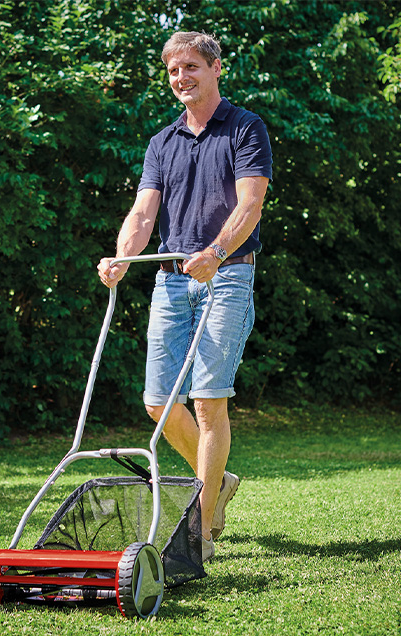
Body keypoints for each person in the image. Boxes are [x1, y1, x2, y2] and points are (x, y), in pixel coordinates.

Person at [97, 31, 272, 561]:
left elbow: (251, 205)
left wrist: (216, 252)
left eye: (192, 67)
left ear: (217, 68)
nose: (182, 78)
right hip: (171, 279)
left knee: (208, 400)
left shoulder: (245, 128)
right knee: (158, 402)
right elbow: (143, 213)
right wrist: (123, 256)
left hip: (227, 275)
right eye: (174, 71)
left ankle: (201, 530)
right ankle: (215, 485)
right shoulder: (161, 142)